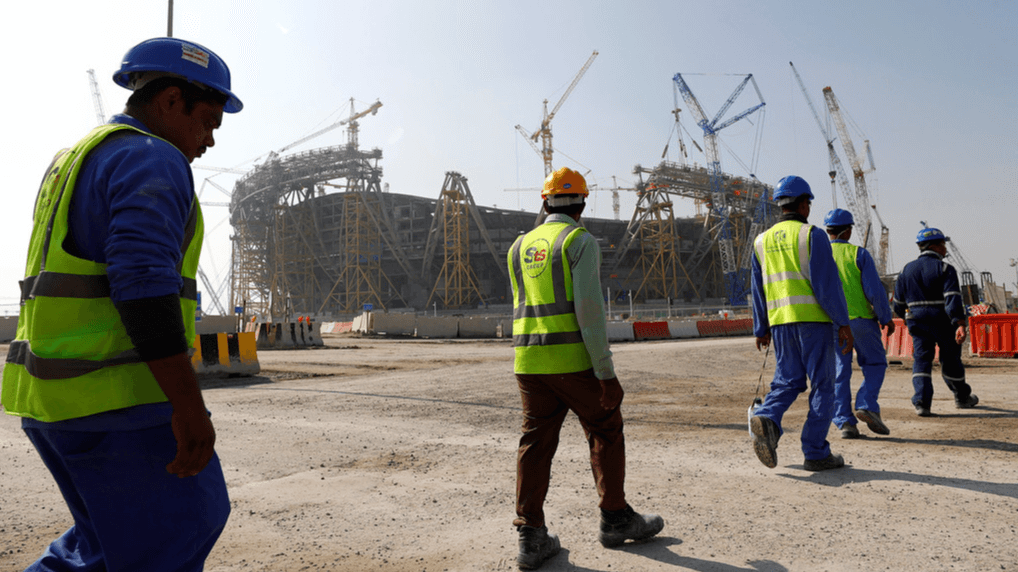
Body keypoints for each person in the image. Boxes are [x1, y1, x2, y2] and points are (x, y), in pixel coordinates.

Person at [2, 37, 242, 571]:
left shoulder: (75, 158)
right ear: (172, 100)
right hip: (118, 405)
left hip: (52, 403)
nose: (208, 140)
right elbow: (143, 288)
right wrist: (188, 408)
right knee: (177, 535)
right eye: (207, 120)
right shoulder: (152, 158)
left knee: (101, 549)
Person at [507, 167, 663, 569]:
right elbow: (590, 314)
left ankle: (531, 536)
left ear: (544, 202)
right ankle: (614, 518)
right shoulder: (579, 241)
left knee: (535, 442)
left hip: (528, 361)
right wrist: (606, 374)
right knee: (605, 427)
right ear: (583, 205)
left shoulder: (518, 246)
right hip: (573, 362)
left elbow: (521, 304)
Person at [749, 176, 854, 472]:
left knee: (788, 381)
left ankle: (767, 418)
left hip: (781, 324)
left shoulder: (760, 241)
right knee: (823, 386)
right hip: (814, 323)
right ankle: (816, 451)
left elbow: (757, 289)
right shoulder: (812, 235)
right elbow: (827, 286)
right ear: (804, 204)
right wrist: (843, 322)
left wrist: (762, 328)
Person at [824, 208, 896, 439]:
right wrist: (886, 318)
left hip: (832, 324)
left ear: (828, 231)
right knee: (875, 364)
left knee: (840, 371)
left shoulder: (819, 255)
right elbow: (875, 291)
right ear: (849, 230)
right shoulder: (859, 254)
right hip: (862, 322)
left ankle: (845, 422)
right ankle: (866, 404)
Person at [892, 227, 978, 416]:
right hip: (943, 322)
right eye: (943, 244)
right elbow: (953, 298)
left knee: (922, 361)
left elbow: (898, 304)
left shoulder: (906, 270)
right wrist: (960, 323)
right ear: (936, 246)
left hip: (917, 322)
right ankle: (962, 397)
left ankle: (922, 403)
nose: (945, 249)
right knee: (950, 360)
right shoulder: (946, 268)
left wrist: (908, 319)